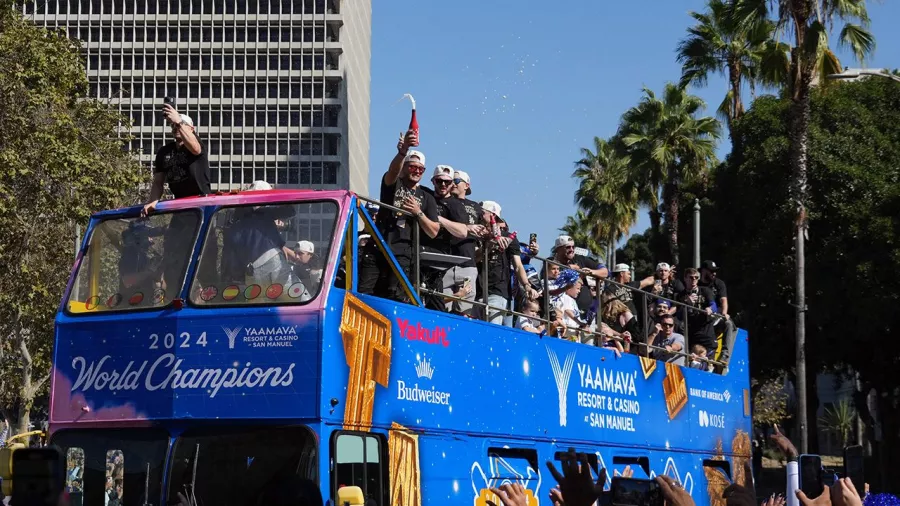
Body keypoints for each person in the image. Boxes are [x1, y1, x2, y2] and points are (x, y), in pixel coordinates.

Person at [358, 131, 440, 302]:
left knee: (396, 295)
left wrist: (418, 213)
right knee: (365, 294)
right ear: (404, 167)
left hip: (403, 252)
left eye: (420, 169)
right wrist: (402, 152)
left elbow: (434, 231)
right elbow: (392, 171)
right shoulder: (394, 183)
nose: (416, 171)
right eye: (412, 167)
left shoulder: (427, 197)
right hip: (377, 246)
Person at [143, 105, 210, 216]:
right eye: (173, 125)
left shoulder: (197, 143)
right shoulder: (164, 152)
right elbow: (158, 182)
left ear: (192, 129)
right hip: (179, 204)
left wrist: (179, 121)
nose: (176, 127)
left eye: (181, 125)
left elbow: (195, 149)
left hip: (201, 202)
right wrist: (153, 201)